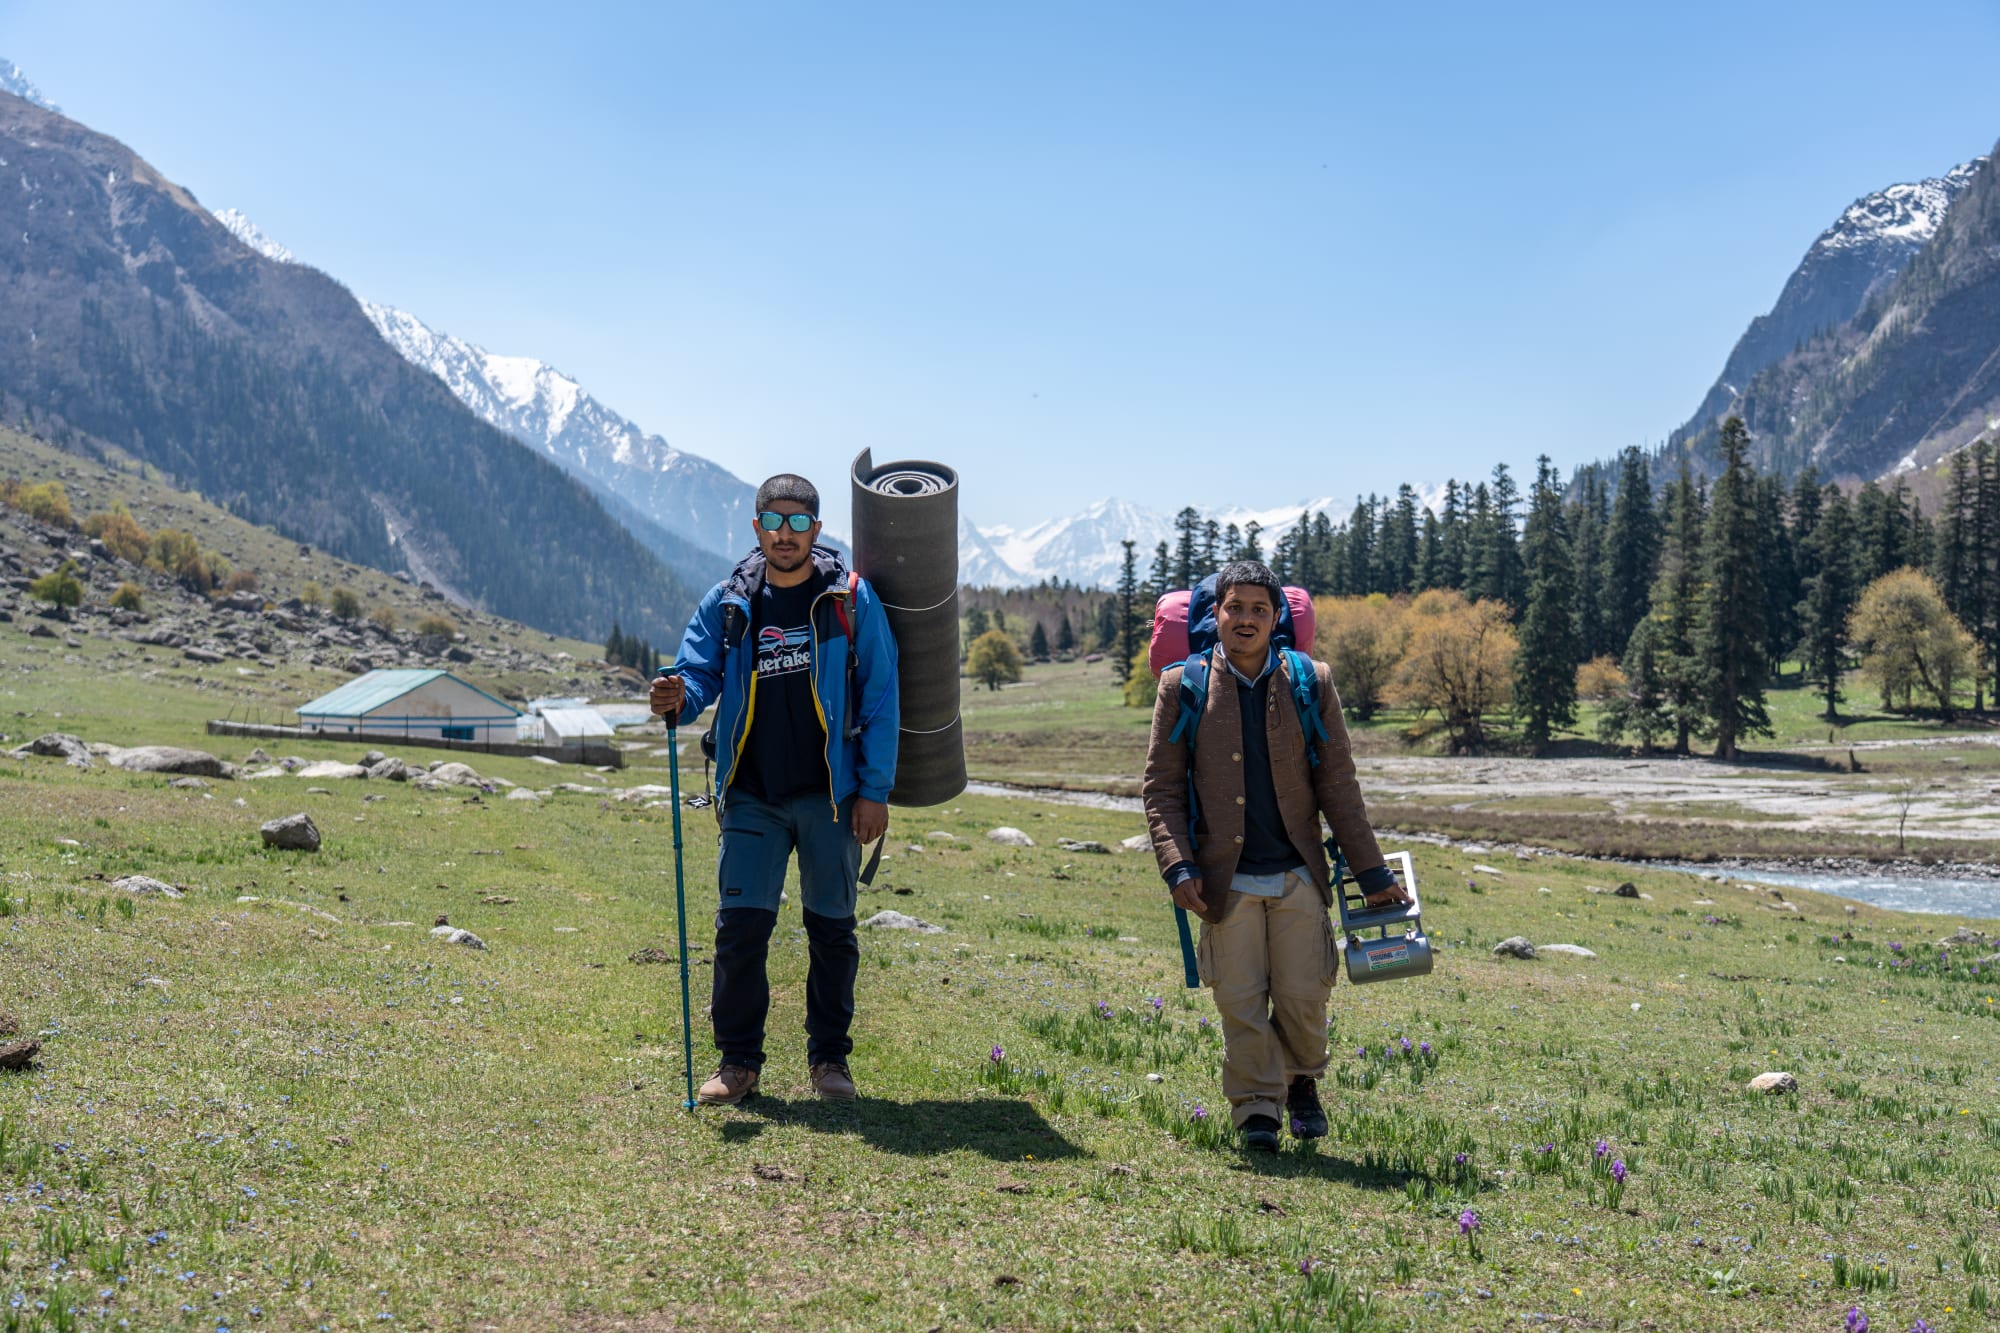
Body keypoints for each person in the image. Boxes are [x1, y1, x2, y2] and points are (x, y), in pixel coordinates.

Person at [1141, 560, 1406, 1151]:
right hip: (1222, 879)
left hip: (1296, 875)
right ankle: (1256, 1110)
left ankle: (1301, 1078)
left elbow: (1338, 783)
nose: (1246, 619)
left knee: (1304, 997)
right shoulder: (1181, 686)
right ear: (1217, 614)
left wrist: (1373, 872)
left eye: (1259, 609)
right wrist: (1177, 865)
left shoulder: (1313, 681)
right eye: (1235, 607)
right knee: (1239, 1001)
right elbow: (1160, 788)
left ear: (1275, 618)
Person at [651, 474, 898, 1104]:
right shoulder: (729, 603)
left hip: (831, 797)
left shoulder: (849, 599)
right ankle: (737, 1065)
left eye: (797, 523)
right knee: (740, 930)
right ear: (756, 527)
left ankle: (830, 1063)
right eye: (773, 521)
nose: (784, 534)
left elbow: (880, 694)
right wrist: (678, 697)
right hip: (752, 794)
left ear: (816, 531)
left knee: (832, 931)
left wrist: (874, 789)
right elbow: (699, 675)